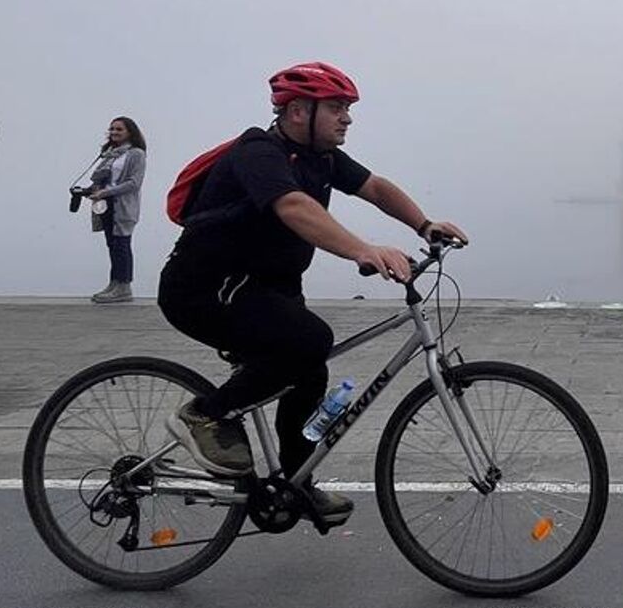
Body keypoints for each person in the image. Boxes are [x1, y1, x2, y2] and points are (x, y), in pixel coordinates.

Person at [158, 62, 468, 522]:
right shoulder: (258, 153)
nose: (348, 118)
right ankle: (205, 415)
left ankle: (294, 482)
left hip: (263, 287)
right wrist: (362, 249)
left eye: (347, 108)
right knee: (310, 340)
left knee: (308, 370)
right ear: (300, 110)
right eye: (338, 107)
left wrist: (424, 225)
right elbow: (293, 206)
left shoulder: (320, 157)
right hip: (204, 289)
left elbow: (375, 187)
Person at [84, 117, 148, 303]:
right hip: (106, 204)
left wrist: (106, 192)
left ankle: (124, 286)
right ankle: (114, 283)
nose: (114, 132)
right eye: (112, 129)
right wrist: (92, 190)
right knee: (112, 245)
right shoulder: (110, 153)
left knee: (122, 245)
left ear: (130, 132)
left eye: (119, 129)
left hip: (122, 205)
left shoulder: (136, 154)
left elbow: (134, 183)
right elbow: (104, 178)